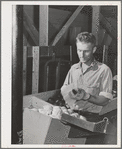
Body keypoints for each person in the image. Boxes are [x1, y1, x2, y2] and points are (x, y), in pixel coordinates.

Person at [61, 32, 113, 113]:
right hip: (73, 113)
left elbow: (105, 100)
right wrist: (69, 96)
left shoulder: (103, 70)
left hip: (93, 116)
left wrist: (86, 96)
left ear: (94, 50)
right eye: (79, 50)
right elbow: (64, 90)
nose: (81, 55)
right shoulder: (74, 69)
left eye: (86, 51)